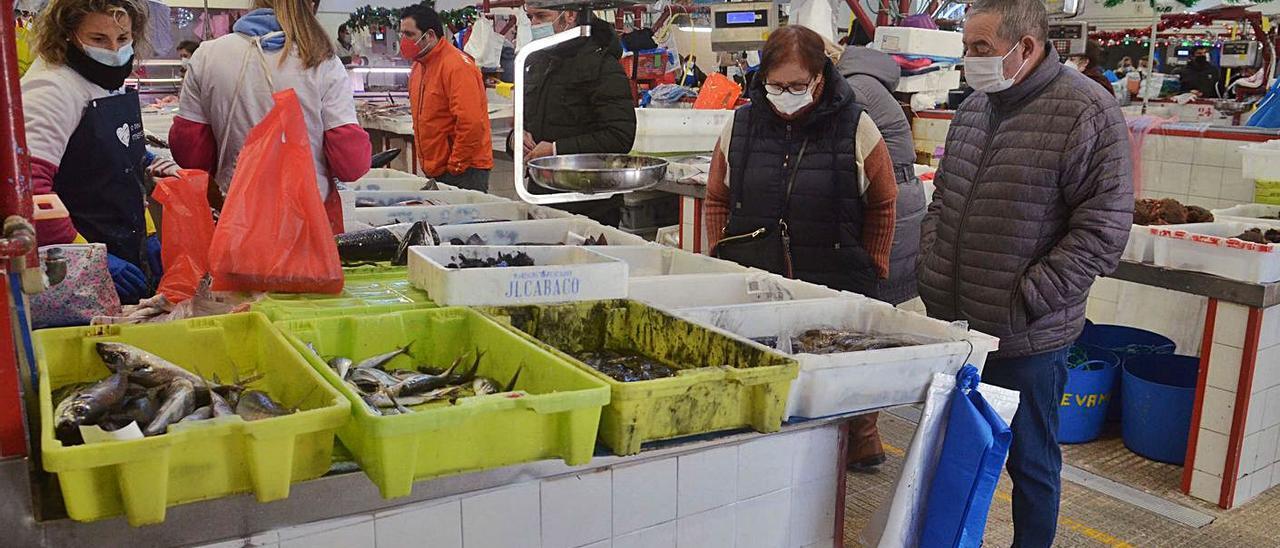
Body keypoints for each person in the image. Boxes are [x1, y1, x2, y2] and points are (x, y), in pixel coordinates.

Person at [918, 0, 1133, 545]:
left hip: (1028, 337)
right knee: (954, 453)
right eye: (967, 47)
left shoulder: (1087, 111)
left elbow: (1103, 232)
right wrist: (932, 266)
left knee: (1031, 465)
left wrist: (1028, 297)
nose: (970, 60)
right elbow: (944, 197)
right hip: (956, 326)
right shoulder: (975, 107)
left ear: (1027, 48)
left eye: (981, 49)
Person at [705, 25, 898, 308]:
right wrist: (718, 255)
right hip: (752, 286)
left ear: (819, 76)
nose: (785, 95)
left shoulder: (855, 127)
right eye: (775, 85)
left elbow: (883, 202)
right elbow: (716, 197)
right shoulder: (740, 126)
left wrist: (873, 266)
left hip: (836, 289)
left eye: (797, 86)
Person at [170, 0, 369, 232]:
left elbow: (190, 155)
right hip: (307, 224)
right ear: (311, 4)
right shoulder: (322, 60)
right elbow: (350, 163)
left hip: (236, 218)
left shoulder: (207, 55)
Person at [23, 0, 173, 304]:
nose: (114, 50)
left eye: (123, 39)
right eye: (98, 39)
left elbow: (121, 167)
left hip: (119, 251)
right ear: (67, 34)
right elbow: (31, 191)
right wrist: (86, 261)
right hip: (70, 275)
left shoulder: (106, 82)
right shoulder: (51, 89)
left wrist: (149, 234)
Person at [836, 36, 927, 472]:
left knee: (856, 330)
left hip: (881, 208)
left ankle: (862, 433)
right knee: (866, 324)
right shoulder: (874, 82)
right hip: (904, 206)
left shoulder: (855, 88)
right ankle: (862, 433)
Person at [522, 5, 636, 226]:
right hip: (542, 199)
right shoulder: (537, 61)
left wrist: (557, 149)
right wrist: (516, 139)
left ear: (570, 15)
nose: (535, 24)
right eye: (531, 17)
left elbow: (620, 136)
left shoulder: (601, 64)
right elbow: (527, 120)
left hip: (589, 204)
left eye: (542, 16)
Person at [400, 5, 493, 192]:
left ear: (430, 35)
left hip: (465, 171)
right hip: (439, 168)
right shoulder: (418, 67)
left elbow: (471, 123)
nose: (404, 40)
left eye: (409, 34)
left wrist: (456, 165)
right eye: (402, 34)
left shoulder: (457, 66)